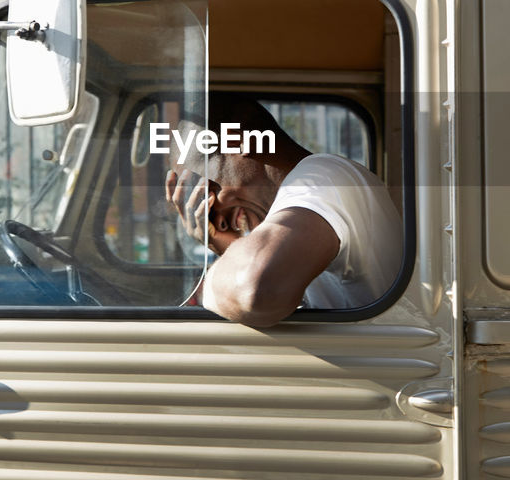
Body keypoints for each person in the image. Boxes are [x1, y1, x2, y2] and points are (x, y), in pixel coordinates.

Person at [164, 95, 402, 327]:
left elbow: (256, 291)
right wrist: (227, 247)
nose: (210, 208)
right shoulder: (305, 197)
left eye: (206, 188)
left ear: (236, 140)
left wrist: (208, 285)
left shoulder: (320, 178)